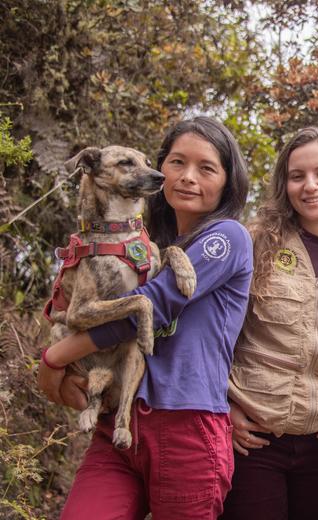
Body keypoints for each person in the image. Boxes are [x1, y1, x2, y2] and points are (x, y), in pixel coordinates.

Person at [37, 116, 252, 519]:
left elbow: (155, 302)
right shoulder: (144, 243)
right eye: (176, 163)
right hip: (121, 423)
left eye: (206, 168)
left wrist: (55, 358)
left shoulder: (228, 237)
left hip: (186, 427)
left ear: (227, 181)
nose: (188, 177)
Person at [221, 127, 318, 520]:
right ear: (283, 184)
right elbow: (211, 334)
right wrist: (225, 407)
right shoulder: (252, 244)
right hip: (254, 440)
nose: (311, 186)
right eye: (297, 176)